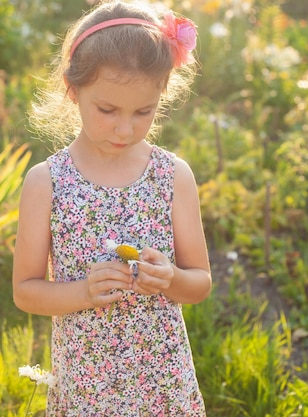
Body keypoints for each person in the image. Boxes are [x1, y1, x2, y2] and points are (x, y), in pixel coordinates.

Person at [12, 1, 211, 415]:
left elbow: (200, 283)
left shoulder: (172, 176)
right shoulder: (46, 182)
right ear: (73, 90)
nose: (126, 128)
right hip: (87, 388)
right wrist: (83, 292)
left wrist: (170, 277)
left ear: (163, 93)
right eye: (107, 110)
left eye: (144, 112)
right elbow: (25, 292)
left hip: (164, 383)